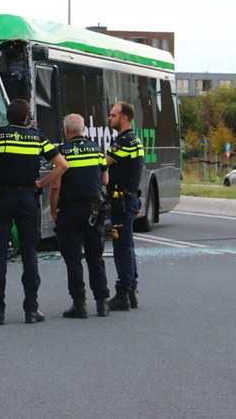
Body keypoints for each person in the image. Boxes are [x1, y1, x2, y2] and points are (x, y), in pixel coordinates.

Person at [0, 99, 68, 325]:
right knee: (29, 253)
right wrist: (41, 184)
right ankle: (31, 309)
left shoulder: (0, 135)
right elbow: (62, 165)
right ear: (27, 117)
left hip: (2, 197)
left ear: (8, 116)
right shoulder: (38, 137)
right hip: (27, 198)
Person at [49, 113, 110, 319]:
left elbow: (55, 185)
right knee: (95, 257)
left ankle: (79, 304)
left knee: (73, 258)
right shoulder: (96, 149)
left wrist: (53, 209)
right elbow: (105, 180)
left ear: (66, 130)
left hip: (70, 210)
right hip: (93, 209)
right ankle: (102, 303)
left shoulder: (61, 152)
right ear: (83, 129)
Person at [104, 101, 144, 312]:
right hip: (128, 198)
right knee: (127, 247)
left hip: (122, 200)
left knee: (122, 248)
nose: (109, 118)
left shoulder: (124, 142)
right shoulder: (133, 140)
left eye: (113, 115)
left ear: (124, 118)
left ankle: (123, 294)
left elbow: (103, 164)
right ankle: (130, 292)